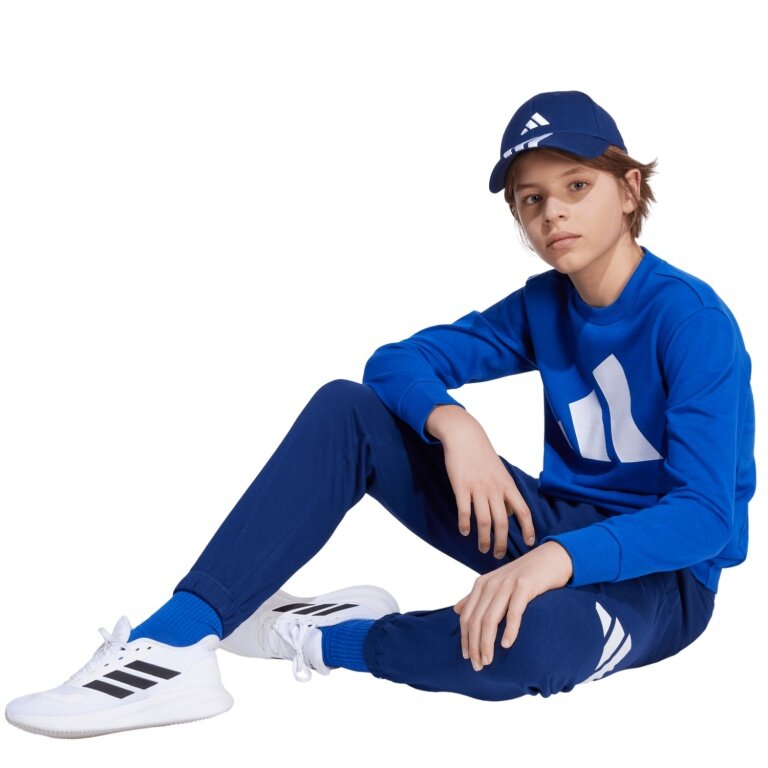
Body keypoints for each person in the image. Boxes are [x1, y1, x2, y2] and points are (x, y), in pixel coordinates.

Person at [6, 90, 756, 739]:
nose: (552, 210)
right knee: (349, 410)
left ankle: (326, 638)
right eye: (530, 199)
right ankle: (176, 642)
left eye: (577, 185)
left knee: (526, 642)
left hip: (663, 580)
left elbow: (705, 519)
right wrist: (455, 425)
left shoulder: (691, 320)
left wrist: (554, 561)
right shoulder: (543, 305)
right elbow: (396, 361)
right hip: (550, 525)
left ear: (628, 190)